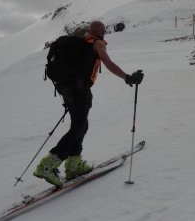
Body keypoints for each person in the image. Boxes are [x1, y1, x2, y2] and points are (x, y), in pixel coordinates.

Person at [34, 20, 144, 186]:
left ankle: (73, 165)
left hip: (68, 89)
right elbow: (108, 63)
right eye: (104, 29)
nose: (105, 32)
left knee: (81, 126)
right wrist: (127, 77)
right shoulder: (97, 43)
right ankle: (47, 166)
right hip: (79, 91)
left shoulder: (80, 43)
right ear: (101, 31)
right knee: (78, 127)